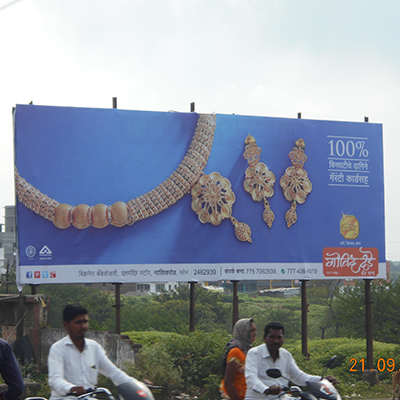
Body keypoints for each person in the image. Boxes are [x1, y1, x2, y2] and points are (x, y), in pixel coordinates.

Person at [48, 304, 137, 400]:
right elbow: (55, 379)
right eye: (78, 323)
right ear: (66, 325)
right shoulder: (58, 349)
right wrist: (71, 388)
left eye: (85, 322)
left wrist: (136, 385)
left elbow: (114, 373)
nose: (83, 326)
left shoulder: (94, 348)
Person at [244, 322, 337, 400]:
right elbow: (251, 378)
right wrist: (267, 390)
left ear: (283, 339)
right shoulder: (254, 353)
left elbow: (299, 377)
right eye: (272, 337)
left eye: (279, 337)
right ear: (265, 338)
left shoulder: (285, 355)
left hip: (282, 397)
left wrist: (322, 380)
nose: (276, 341)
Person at [220, 318, 257, 400]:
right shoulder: (236, 352)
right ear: (243, 332)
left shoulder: (247, 351)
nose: (255, 334)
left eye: (255, 330)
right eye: (252, 331)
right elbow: (228, 383)